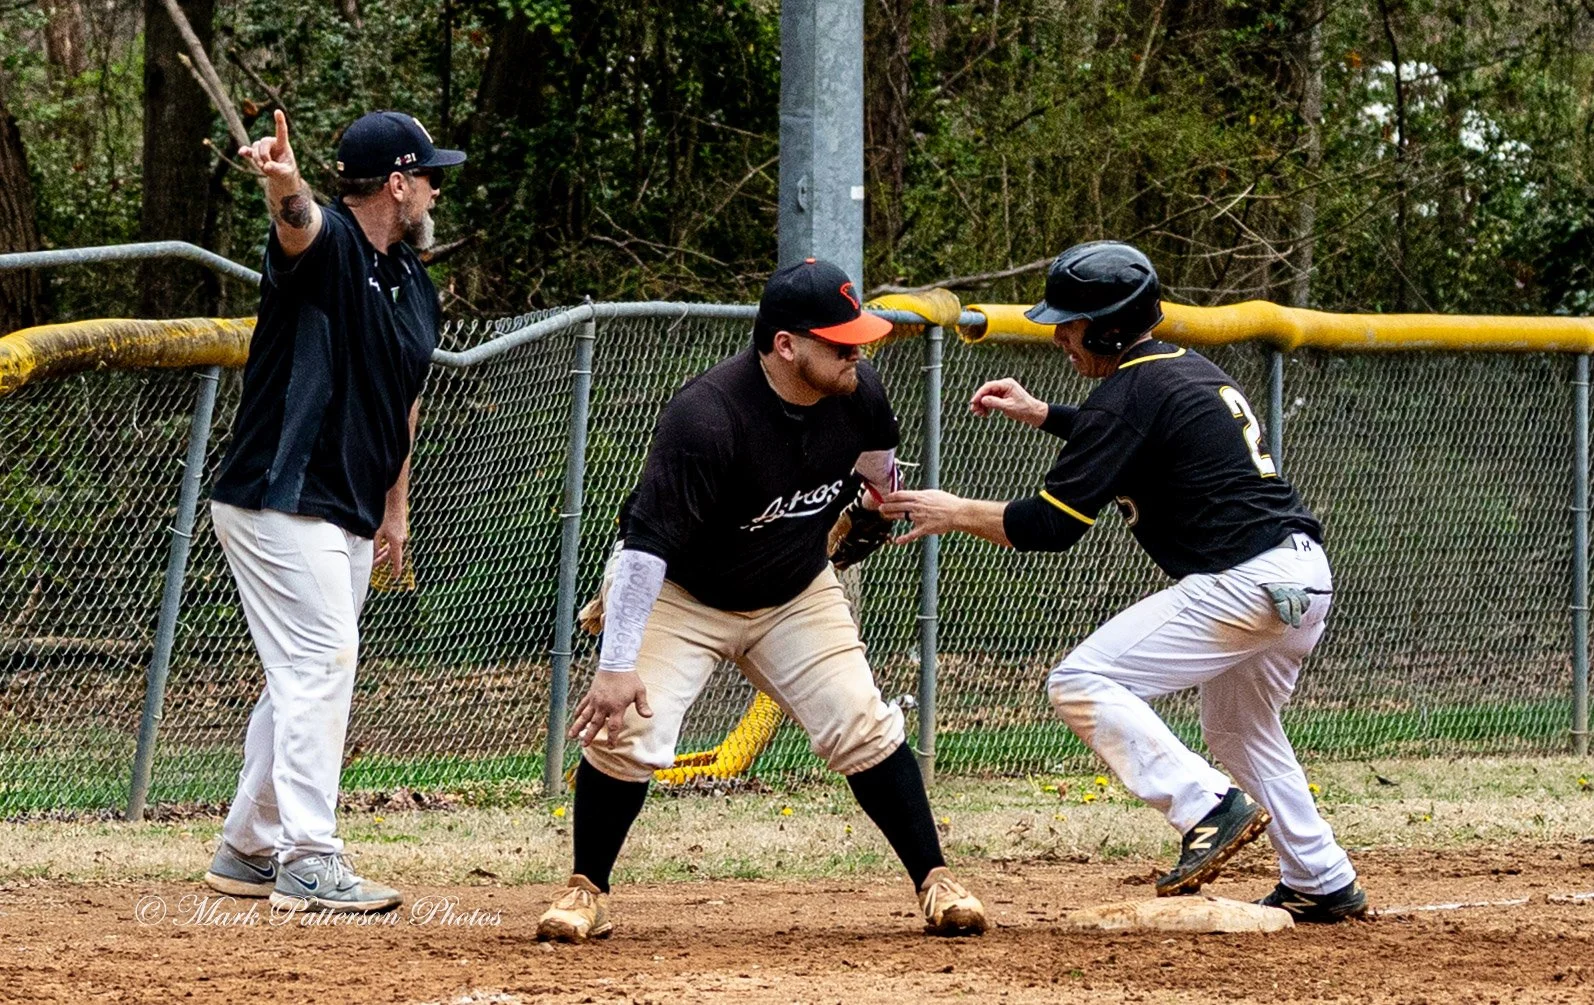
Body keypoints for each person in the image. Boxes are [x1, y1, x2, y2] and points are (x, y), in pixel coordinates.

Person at [880, 241, 1367, 923]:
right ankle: (1321, 876)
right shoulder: (1178, 370)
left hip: (1248, 581)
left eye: (1070, 324)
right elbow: (1127, 433)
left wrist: (952, 511)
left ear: (1109, 327)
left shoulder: (1130, 391)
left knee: (1080, 681)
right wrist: (1045, 414)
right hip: (1302, 576)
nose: (1059, 337)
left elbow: (1048, 525)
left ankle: (1208, 805)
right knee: (1237, 726)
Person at [535, 258, 989, 942]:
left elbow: (876, 469)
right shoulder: (707, 416)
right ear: (786, 345)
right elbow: (644, 548)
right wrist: (616, 661)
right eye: (840, 342)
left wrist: (876, 507)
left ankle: (935, 878)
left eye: (859, 338)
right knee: (631, 731)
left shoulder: (859, 393)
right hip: (683, 593)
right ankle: (586, 888)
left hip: (793, 588)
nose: (857, 352)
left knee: (862, 722)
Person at [200, 109, 464, 913]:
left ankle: (248, 846)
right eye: (429, 178)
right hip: (280, 496)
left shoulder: (414, 282)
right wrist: (283, 181)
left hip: (347, 507)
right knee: (320, 665)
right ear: (396, 182)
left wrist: (396, 505)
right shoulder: (333, 248)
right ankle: (308, 857)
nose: (434, 195)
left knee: (301, 679)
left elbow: (404, 400)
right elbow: (299, 225)